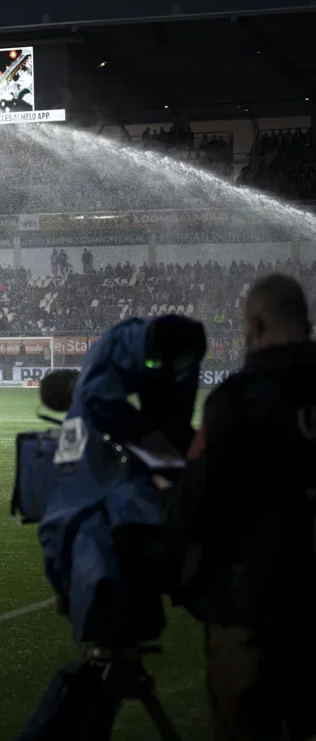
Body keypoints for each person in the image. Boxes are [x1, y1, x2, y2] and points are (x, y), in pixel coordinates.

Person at [171, 272, 316, 741]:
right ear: (308, 325)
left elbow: (198, 509)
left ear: (253, 326)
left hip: (252, 613)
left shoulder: (237, 402)